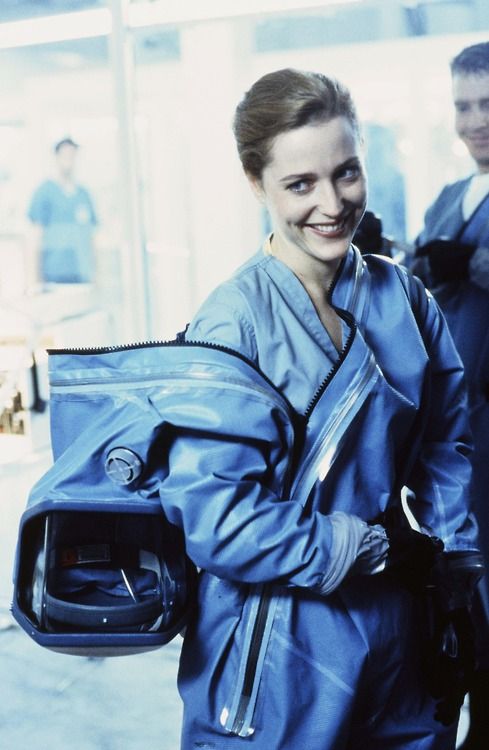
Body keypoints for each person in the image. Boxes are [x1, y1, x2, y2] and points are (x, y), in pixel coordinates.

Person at [157, 69, 482, 749]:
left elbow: (445, 446)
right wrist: (350, 546)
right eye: (300, 184)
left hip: (399, 633)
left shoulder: (403, 299)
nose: (332, 204)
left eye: (346, 173)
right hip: (275, 641)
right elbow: (216, 518)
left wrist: (454, 563)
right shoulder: (234, 321)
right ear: (257, 184)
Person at [412, 42, 489, 750]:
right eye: (463, 106)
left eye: (487, 104)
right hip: (451, 433)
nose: (474, 121)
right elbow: (413, 281)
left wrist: (474, 263)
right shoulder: (446, 198)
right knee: (455, 582)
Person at [27, 137, 98, 285]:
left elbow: (91, 236)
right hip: (53, 275)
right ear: (56, 157)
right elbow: (35, 236)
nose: (69, 159)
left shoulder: (83, 195)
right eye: (65, 155)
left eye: (72, 155)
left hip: (82, 274)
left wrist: (96, 273)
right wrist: (34, 280)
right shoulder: (45, 192)